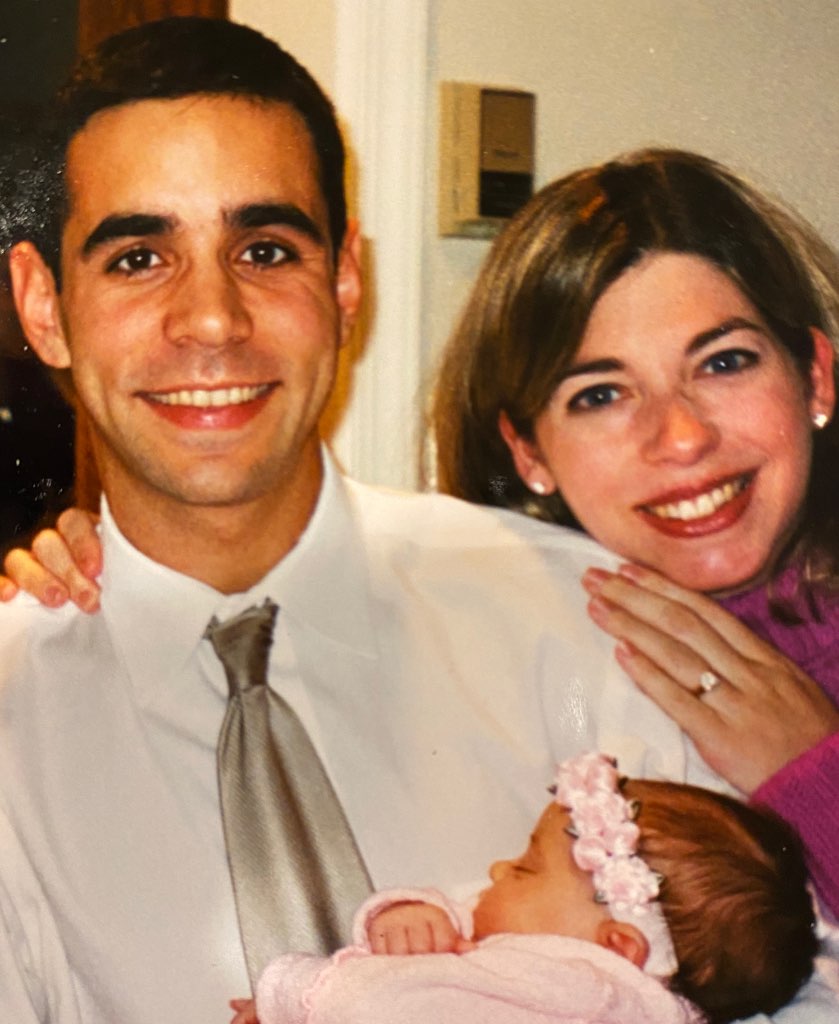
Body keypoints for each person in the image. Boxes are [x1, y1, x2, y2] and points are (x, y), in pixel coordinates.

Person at [0, 24, 835, 1022]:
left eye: (265, 249)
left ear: (345, 280)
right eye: (138, 258)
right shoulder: (17, 707)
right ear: (43, 305)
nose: (212, 320)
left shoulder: (599, 622)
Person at [429, 148, 839, 919]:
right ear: (526, 451)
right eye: (601, 394)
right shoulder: (483, 665)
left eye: (723, 362)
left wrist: (812, 774)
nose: (680, 437)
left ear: (814, 375)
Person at [230, 753, 815, 1024]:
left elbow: (384, 1005)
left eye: (528, 868)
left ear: (616, 946)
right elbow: (463, 943)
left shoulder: (581, 990)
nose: (496, 871)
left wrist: (291, 994)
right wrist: (413, 915)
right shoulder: (580, 977)